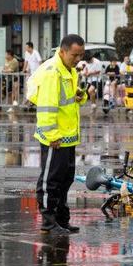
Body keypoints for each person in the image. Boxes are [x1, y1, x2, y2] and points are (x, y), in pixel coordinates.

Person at [28, 34, 88, 234]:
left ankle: (62, 219)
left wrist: (81, 95)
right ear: (62, 51)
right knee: (50, 180)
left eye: (81, 55)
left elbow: (66, 100)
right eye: (74, 55)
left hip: (68, 136)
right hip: (55, 138)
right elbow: (46, 107)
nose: (78, 59)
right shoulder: (53, 72)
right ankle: (48, 221)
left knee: (65, 178)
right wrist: (52, 135)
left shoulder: (68, 70)